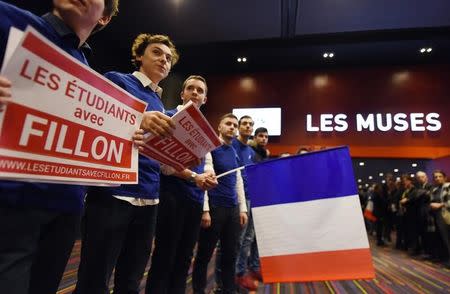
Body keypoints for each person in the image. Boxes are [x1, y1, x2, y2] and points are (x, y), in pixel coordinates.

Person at [0, 1, 118, 293]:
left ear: (104, 17)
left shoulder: (90, 74)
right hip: (10, 204)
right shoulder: (7, 18)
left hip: (65, 210)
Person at [74, 34, 178, 294]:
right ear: (139, 56)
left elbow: (156, 157)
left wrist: (179, 159)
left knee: (131, 278)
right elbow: (94, 118)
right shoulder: (118, 80)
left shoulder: (161, 104)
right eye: (156, 53)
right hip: (113, 193)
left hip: (150, 198)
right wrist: (139, 118)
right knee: (95, 278)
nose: (163, 60)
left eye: (168, 58)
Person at [145, 75, 218, 294]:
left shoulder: (205, 129)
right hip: (171, 197)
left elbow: (207, 164)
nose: (195, 93)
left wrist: (208, 177)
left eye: (200, 91)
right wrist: (194, 177)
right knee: (164, 256)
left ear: (205, 99)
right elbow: (162, 164)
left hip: (194, 201)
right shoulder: (167, 118)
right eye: (190, 89)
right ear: (182, 94)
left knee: (185, 258)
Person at [192, 113, 248, 294]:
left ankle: (228, 289)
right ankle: (199, 290)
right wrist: (205, 210)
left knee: (230, 255)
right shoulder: (210, 148)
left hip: (232, 209)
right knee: (204, 256)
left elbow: (238, 179)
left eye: (234, 125)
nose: (232, 127)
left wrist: (242, 209)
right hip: (214, 208)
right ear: (219, 127)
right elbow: (205, 178)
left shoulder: (233, 151)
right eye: (228, 124)